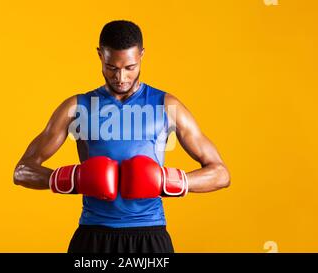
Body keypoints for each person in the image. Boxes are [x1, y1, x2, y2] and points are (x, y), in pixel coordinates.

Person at [13, 20, 231, 253]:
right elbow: (22, 171)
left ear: (142, 56)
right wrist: (71, 179)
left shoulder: (167, 106)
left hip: (150, 235)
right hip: (94, 236)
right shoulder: (77, 107)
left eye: (130, 67)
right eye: (112, 68)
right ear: (100, 56)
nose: (121, 77)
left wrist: (169, 182)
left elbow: (220, 174)